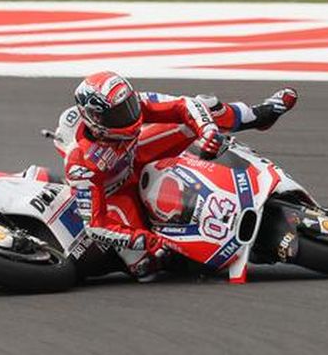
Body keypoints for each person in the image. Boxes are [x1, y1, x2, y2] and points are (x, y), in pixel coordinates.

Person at [52, 71, 298, 281]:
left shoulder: (135, 104)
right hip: (115, 192)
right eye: (120, 113)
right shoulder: (80, 163)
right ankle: (190, 252)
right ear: (96, 120)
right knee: (144, 267)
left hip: (138, 153)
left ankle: (259, 114)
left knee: (205, 105)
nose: (131, 114)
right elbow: (96, 225)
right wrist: (141, 239)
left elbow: (185, 105)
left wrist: (208, 131)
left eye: (129, 105)